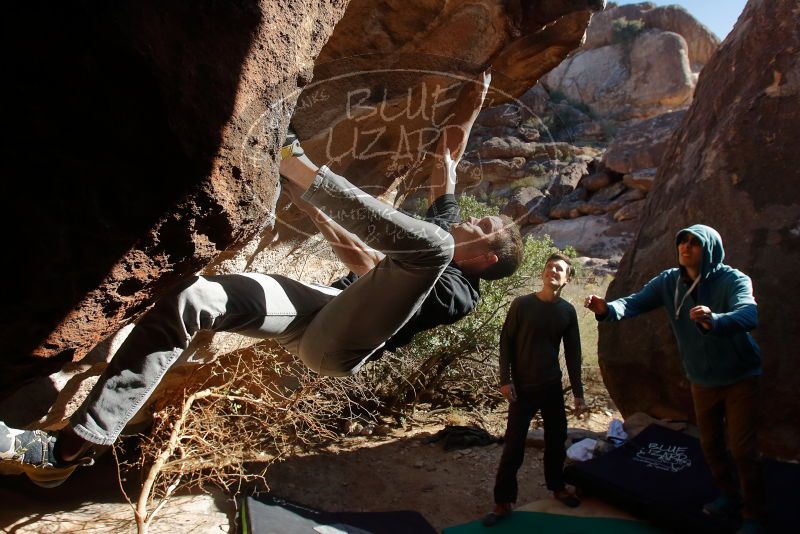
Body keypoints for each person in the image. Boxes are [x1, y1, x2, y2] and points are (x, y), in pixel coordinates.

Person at [1, 71, 523, 488]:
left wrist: (307, 187)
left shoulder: (459, 292)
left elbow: (371, 270)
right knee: (194, 298)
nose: (469, 219)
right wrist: (475, 97)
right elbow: (446, 163)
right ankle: (66, 451)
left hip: (339, 345)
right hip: (324, 304)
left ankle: (296, 162)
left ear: (487, 262)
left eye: (482, 227)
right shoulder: (438, 233)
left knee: (428, 247)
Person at [584, 225, 764, 534]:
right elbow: (634, 302)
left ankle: (753, 513)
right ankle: (729, 496)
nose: (686, 247)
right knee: (710, 445)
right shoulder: (669, 281)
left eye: (695, 243)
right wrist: (608, 309)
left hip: (739, 377)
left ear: (710, 249)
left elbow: (749, 314)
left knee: (743, 449)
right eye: (683, 241)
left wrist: (715, 319)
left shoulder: (733, 280)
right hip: (702, 379)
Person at [483, 252, 586, 527]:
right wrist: (505, 380)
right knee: (513, 447)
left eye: (560, 269)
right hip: (523, 389)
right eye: (550, 267)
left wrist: (578, 393)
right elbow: (506, 342)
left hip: (551, 387)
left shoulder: (567, 311)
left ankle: (557, 487)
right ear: (543, 273)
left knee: (557, 440)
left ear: (567, 279)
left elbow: (573, 354)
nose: (553, 271)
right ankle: (502, 502)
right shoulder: (522, 305)